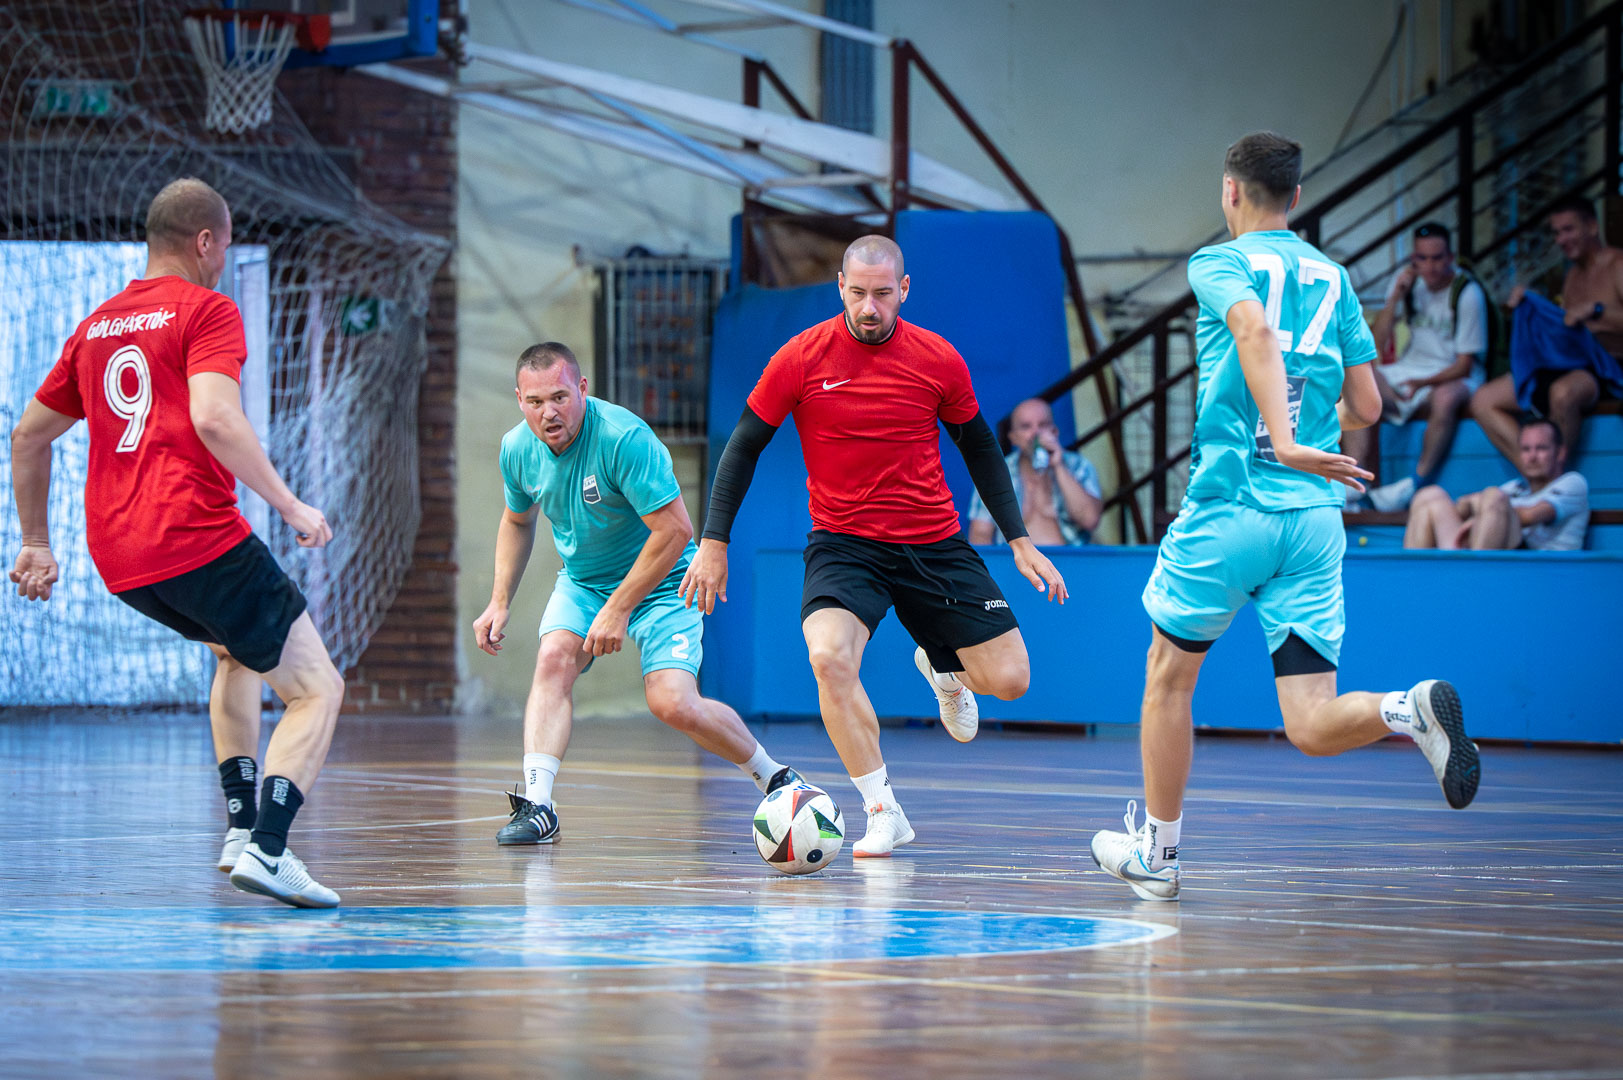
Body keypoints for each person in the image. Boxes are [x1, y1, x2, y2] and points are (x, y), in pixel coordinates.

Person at [1089, 133, 1481, 903]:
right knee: (1308, 720)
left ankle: (1159, 857)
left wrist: (1285, 436)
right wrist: (1308, 430)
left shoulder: (1217, 262)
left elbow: (1253, 331)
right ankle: (1405, 709)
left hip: (1231, 508)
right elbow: (1367, 404)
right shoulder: (1333, 277)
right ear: (1296, 197)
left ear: (1229, 191)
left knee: (1167, 680)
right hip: (1313, 521)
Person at [8, 178, 345, 908]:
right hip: (193, 535)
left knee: (235, 652)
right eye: (224, 248)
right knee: (318, 689)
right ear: (205, 241)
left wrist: (35, 541)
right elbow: (216, 418)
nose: (222, 261)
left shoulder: (97, 326)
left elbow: (28, 436)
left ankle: (239, 828)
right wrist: (289, 504)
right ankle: (270, 850)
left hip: (121, 559)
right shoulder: (205, 309)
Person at [680, 235, 1067, 858]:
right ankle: (882, 810)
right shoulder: (801, 357)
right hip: (844, 544)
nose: (869, 307)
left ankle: (944, 669)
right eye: (857, 293)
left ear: (903, 290)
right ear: (840, 287)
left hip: (932, 543)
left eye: (882, 294)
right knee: (829, 658)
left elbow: (979, 447)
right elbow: (745, 443)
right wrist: (713, 541)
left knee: (1012, 680)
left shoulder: (938, 359)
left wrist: (1019, 540)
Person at [471, 342, 802, 846]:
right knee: (553, 659)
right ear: (519, 400)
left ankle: (774, 776)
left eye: (559, 397)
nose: (549, 413)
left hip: (664, 582)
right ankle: (539, 806)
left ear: (582, 389)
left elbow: (674, 531)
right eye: (535, 402)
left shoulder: (622, 438)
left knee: (672, 703)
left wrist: (619, 608)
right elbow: (517, 521)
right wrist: (499, 600)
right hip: (585, 582)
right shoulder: (517, 449)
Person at [1346, 222, 1488, 511]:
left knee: (1445, 398)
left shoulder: (1467, 292)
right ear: (1413, 259)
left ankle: (1414, 483)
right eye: (1422, 259)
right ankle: (1358, 481)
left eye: (1437, 258)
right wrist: (1395, 298)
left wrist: (1420, 385)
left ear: (1450, 258)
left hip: (1453, 374)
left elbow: (1464, 365)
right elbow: (1374, 345)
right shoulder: (1407, 283)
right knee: (1355, 376)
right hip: (1410, 371)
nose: (1430, 267)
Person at [1471, 195, 1623, 464]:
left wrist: (1597, 310)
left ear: (1592, 226)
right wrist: (1531, 305)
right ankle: (1538, 476)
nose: (1561, 240)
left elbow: (1592, 317)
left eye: (1569, 229)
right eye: (1556, 233)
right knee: (1483, 400)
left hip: (1610, 369)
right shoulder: (1572, 275)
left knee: (1562, 394)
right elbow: (1566, 329)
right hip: (1570, 364)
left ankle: (1550, 476)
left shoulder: (1618, 265)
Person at [1404, 417, 1589, 551]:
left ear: (1560, 453)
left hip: (1541, 571)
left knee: (1493, 496)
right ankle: (1411, 581)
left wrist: (1480, 508)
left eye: (1541, 448)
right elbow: (1463, 507)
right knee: (1430, 495)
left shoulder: (1572, 483)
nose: (1532, 457)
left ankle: (1472, 578)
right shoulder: (1514, 487)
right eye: (1526, 449)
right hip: (1500, 558)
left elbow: (1531, 515)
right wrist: (1475, 508)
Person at [967, 397, 1103, 545]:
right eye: (1026, 427)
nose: (1035, 433)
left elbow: (1089, 520)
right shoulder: (995, 474)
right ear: (1013, 437)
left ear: (1054, 431)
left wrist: (1058, 466)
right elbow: (980, 535)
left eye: (1043, 425)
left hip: (1069, 557)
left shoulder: (1078, 466)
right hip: (1014, 558)